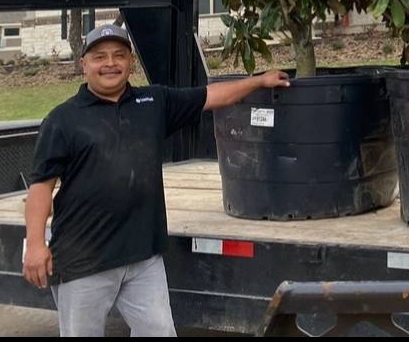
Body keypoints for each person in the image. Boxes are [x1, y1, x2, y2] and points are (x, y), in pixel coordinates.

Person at [21, 23, 289, 336]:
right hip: (84, 261)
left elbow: (210, 96)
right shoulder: (63, 119)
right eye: (100, 57)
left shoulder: (153, 103)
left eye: (119, 55)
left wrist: (260, 81)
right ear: (84, 65)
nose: (110, 64)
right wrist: (36, 245)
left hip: (143, 258)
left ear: (130, 62)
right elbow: (41, 188)